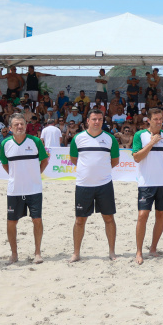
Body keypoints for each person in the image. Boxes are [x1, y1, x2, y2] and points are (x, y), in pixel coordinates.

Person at [69, 109, 120, 263]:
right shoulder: (78, 138)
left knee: (109, 218)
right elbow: (74, 159)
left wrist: (100, 172)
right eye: (94, 119)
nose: (97, 122)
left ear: (103, 121)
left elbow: (115, 161)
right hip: (84, 185)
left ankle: (112, 252)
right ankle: (76, 253)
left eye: (100, 119)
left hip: (104, 184)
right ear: (88, 121)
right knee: (79, 220)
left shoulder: (110, 139)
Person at [0, 113, 49, 264]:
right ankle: (14, 254)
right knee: (11, 222)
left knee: (37, 220)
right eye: (16, 125)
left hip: (34, 188)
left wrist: (35, 174)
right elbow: (4, 163)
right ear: (10, 128)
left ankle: (37, 252)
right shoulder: (5, 144)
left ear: (26, 125)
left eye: (22, 124)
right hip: (14, 189)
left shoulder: (35, 141)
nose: (19, 127)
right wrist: (15, 175)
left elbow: (45, 161)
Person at [131, 108, 163, 264]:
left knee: (161, 216)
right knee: (142, 216)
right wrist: (151, 142)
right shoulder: (140, 135)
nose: (159, 121)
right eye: (156, 119)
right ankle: (138, 251)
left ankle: (153, 248)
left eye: (161, 119)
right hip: (146, 183)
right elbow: (137, 157)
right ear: (148, 120)